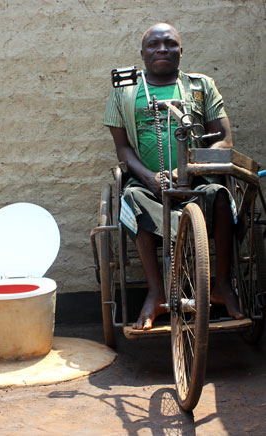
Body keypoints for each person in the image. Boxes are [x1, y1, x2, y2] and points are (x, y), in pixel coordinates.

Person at [104, 23, 243, 330]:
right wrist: (151, 178)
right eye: (154, 45)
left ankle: (222, 286)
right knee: (132, 198)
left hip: (197, 182)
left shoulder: (200, 85)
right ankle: (156, 292)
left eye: (170, 44)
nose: (162, 49)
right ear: (143, 54)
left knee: (220, 196)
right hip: (149, 186)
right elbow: (123, 149)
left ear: (181, 51)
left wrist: (189, 170)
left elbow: (224, 139)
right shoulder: (124, 92)